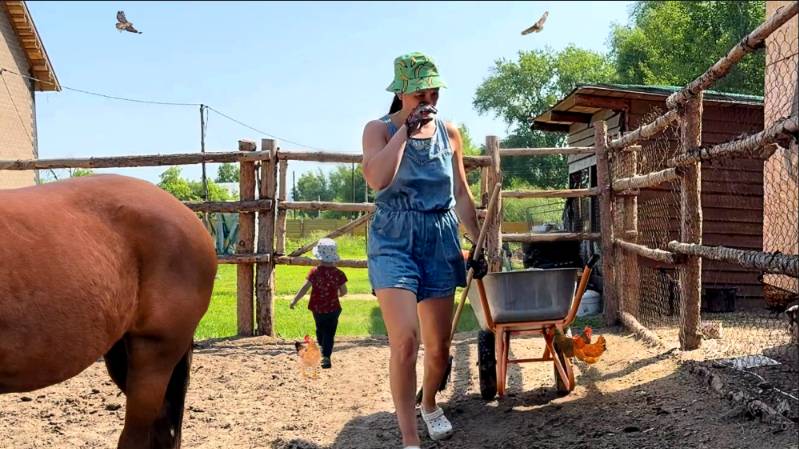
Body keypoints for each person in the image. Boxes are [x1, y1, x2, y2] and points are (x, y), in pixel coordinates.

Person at [361, 52, 488, 448]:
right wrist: (405, 131)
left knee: (439, 349)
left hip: (439, 238)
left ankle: (430, 402)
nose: (429, 100)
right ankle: (410, 439)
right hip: (393, 239)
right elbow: (377, 178)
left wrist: (479, 241)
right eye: (420, 94)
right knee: (404, 341)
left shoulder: (449, 134)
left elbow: (461, 194)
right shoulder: (379, 130)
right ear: (401, 93)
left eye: (434, 93)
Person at [289, 238, 348, 369]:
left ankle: (322, 349)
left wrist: (295, 300)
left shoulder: (314, 272)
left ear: (319, 256)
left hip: (317, 308)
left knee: (320, 329)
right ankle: (326, 356)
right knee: (329, 333)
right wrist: (335, 295)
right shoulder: (339, 274)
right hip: (333, 308)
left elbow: (305, 288)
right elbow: (344, 291)